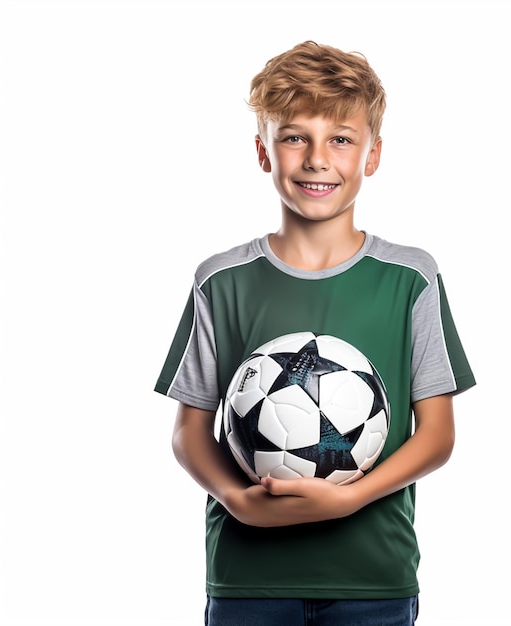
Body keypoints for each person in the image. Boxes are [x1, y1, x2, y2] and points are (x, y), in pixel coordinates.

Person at [154, 40, 476, 626]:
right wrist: (237, 500)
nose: (316, 158)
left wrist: (352, 495)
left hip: (373, 579)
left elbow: (438, 434)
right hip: (247, 579)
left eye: (341, 139)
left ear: (373, 154)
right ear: (263, 151)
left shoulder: (411, 278)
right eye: (294, 136)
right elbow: (189, 432)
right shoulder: (220, 281)